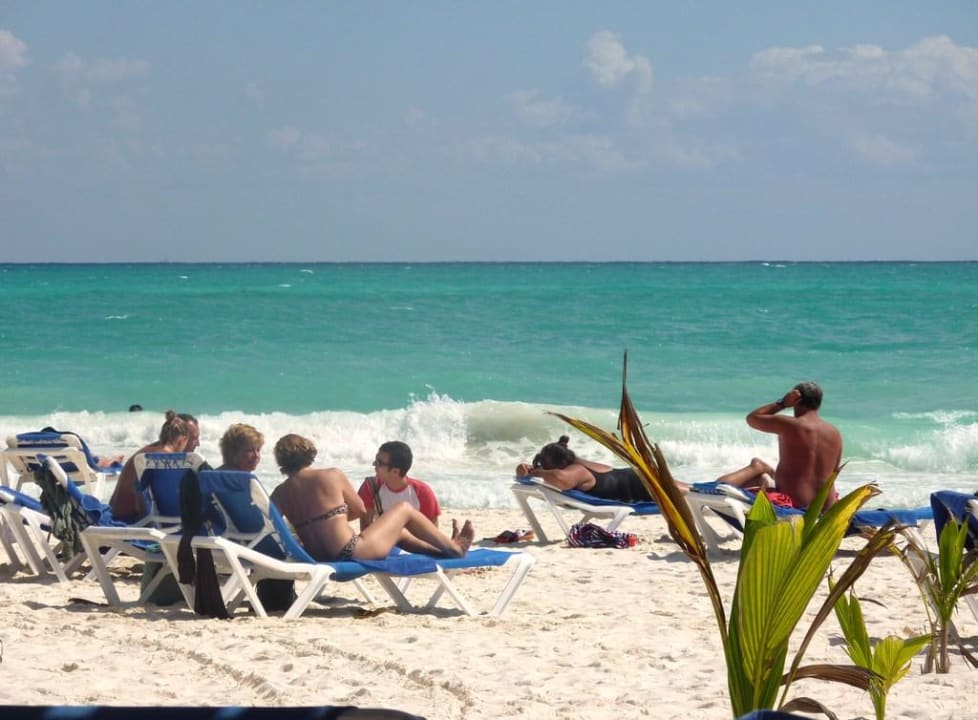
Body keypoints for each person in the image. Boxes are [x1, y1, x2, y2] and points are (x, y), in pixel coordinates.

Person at [269, 434, 473, 562]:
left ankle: (442, 553)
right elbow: (359, 510)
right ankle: (453, 547)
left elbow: (273, 528)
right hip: (349, 552)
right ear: (308, 453)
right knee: (404, 509)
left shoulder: (279, 493)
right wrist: (335, 517)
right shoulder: (331, 475)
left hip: (316, 556)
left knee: (398, 532)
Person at [716, 381, 843, 510]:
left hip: (794, 505)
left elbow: (752, 418)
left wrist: (783, 403)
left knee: (719, 486)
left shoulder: (791, 424)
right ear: (819, 403)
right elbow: (834, 472)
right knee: (759, 482)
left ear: (796, 400)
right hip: (826, 508)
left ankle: (757, 467)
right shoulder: (835, 433)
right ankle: (761, 472)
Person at [516, 435, 688, 502]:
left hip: (638, 484)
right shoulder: (578, 463)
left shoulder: (577, 470)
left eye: (545, 464)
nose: (542, 468)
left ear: (560, 464)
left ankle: (708, 494)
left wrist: (535, 472)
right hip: (633, 477)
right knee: (690, 489)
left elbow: (560, 479)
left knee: (688, 493)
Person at [109, 410, 193, 523]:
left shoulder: (144, 454)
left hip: (115, 515)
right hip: (132, 521)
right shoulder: (165, 461)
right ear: (181, 440)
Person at [357, 441, 440, 532]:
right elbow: (366, 531)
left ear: (395, 471)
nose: (374, 465)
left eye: (379, 463)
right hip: (383, 543)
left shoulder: (422, 492)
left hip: (414, 544)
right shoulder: (371, 487)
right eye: (375, 460)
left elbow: (433, 532)